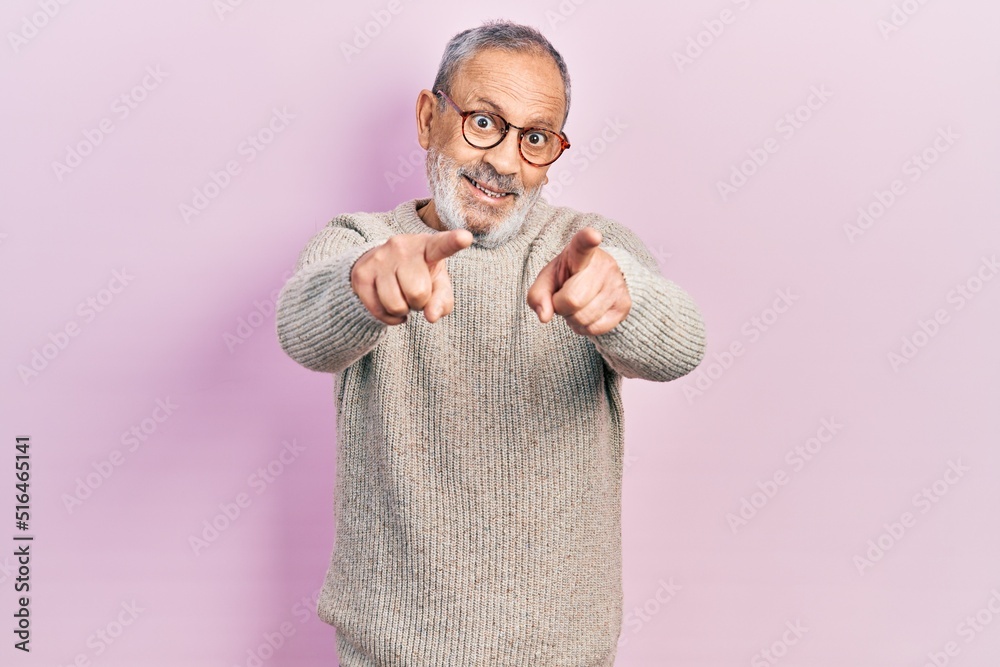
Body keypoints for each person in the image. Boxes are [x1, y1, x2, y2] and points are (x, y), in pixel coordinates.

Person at [275, 19, 706, 667]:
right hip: (389, 652)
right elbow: (302, 327)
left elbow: (680, 342)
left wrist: (624, 302)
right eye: (484, 121)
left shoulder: (590, 249)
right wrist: (361, 287)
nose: (505, 161)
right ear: (428, 117)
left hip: (561, 654)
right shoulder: (362, 241)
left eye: (535, 139)